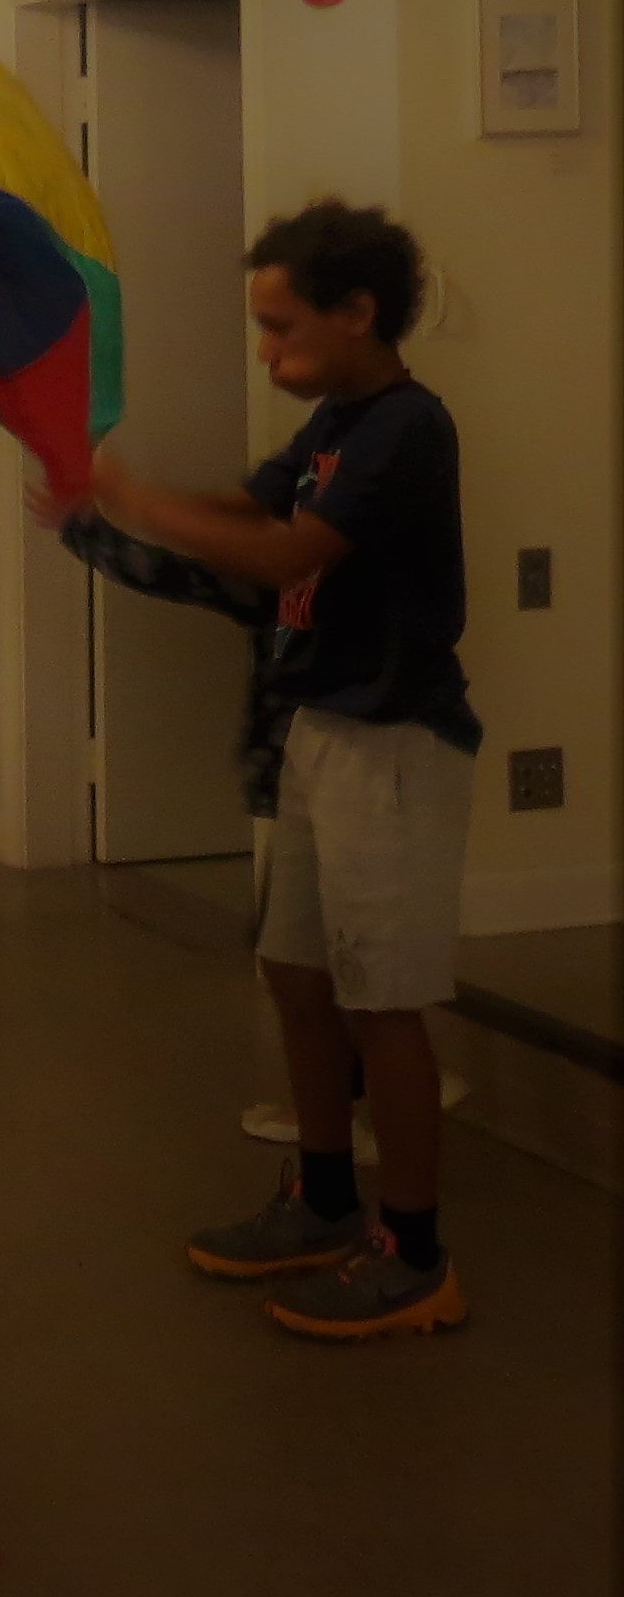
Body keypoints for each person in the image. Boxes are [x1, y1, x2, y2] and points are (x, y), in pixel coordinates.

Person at [86, 200, 479, 1341]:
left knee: (383, 1003)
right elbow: (253, 504)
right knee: (300, 980)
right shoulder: (336, 423)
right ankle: (321, 1196)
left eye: (281, 326)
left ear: (357, 313)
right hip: (322, 726)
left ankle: (415, 1256)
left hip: (393, 742)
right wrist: (117, 491)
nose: (266, 352)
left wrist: (142, 504)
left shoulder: (408, 427)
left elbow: (285, 552)